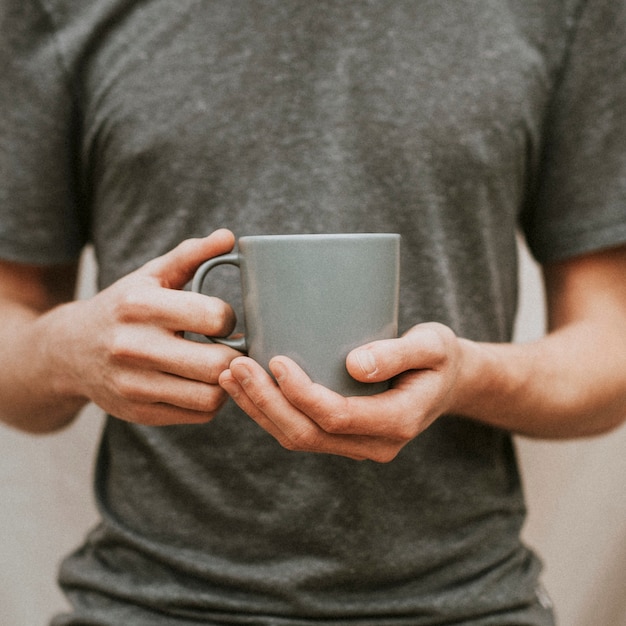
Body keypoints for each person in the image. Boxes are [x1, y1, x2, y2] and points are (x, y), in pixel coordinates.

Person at [1, 1, 625, 624]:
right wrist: (65, 352)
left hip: (467, 601)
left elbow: (611, 348)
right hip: (142, 604)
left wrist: (467, 376)